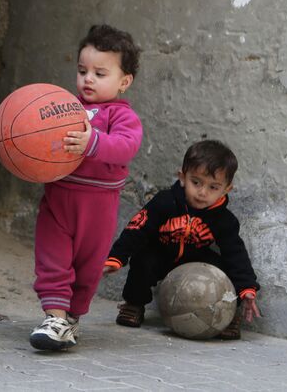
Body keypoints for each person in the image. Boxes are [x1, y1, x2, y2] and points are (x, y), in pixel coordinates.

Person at [0, 24, 143, 350]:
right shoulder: (60, 106)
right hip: (58, 200)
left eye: (100, 73)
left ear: (124, 82)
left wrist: (92, 141)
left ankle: (71, 317)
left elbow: (126, 147)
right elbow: (27, 123)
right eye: (82, 70)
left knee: (88, 270)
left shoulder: (121, 116)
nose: (88, 78)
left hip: (98, 206)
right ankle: (54, 317)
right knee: (52, 260)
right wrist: (1, 132)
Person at [103, 139, 261, 339]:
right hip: (162, 253)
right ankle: (134, 305)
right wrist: (116, 258)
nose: (202, 193)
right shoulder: (164, 202)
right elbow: (137, 229)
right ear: (182, 177)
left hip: (196, 260)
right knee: (143, 259)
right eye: (196, 182)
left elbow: (236, 254)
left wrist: (247, 288)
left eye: (213, 187)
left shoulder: (224, 220)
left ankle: (226, 316)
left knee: (225, 269)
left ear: (226, 189)